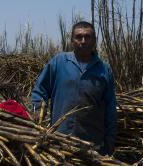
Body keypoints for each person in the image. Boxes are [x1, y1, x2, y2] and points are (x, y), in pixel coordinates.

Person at [31, 21, 117, 156]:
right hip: (60, 141)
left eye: (88, 37)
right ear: (72, 40)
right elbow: (40, 90)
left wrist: (109, 142)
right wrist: (37, 109)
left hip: (92, 145)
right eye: (78, 37)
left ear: (94, 40)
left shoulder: (104, 70)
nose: (83, 41)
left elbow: (110, 109)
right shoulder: (59, 62)